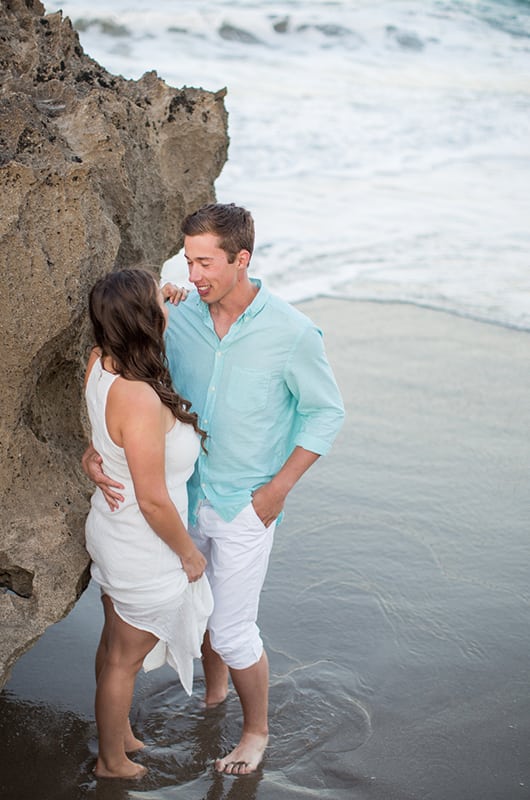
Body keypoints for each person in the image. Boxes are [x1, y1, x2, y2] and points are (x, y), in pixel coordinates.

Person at [83, 204, 344, 775]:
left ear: (241, 259)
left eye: (205, 263)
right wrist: (96, 450)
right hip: (178, 501)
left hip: (246, 504)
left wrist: (277, 492)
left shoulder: (292, 332)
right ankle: (212, 697)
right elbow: (128, 385)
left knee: (230, 627)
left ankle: (255, 732)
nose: (192, 274)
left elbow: (326, 414)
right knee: (201, 611)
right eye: (188, 260)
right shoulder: (178, 318)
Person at [84, 268, 213, 780]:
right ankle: (111, 761)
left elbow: (101, 438)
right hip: (144, 541)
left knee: (115, 640)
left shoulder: (101, 363)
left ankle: (117, 737)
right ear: (145, 320)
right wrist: (188, 553)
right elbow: (154, 500)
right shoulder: (138, 396)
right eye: (157, 307)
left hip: (112, 528)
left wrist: (162, 293)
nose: (166, 311)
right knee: (125, 659)